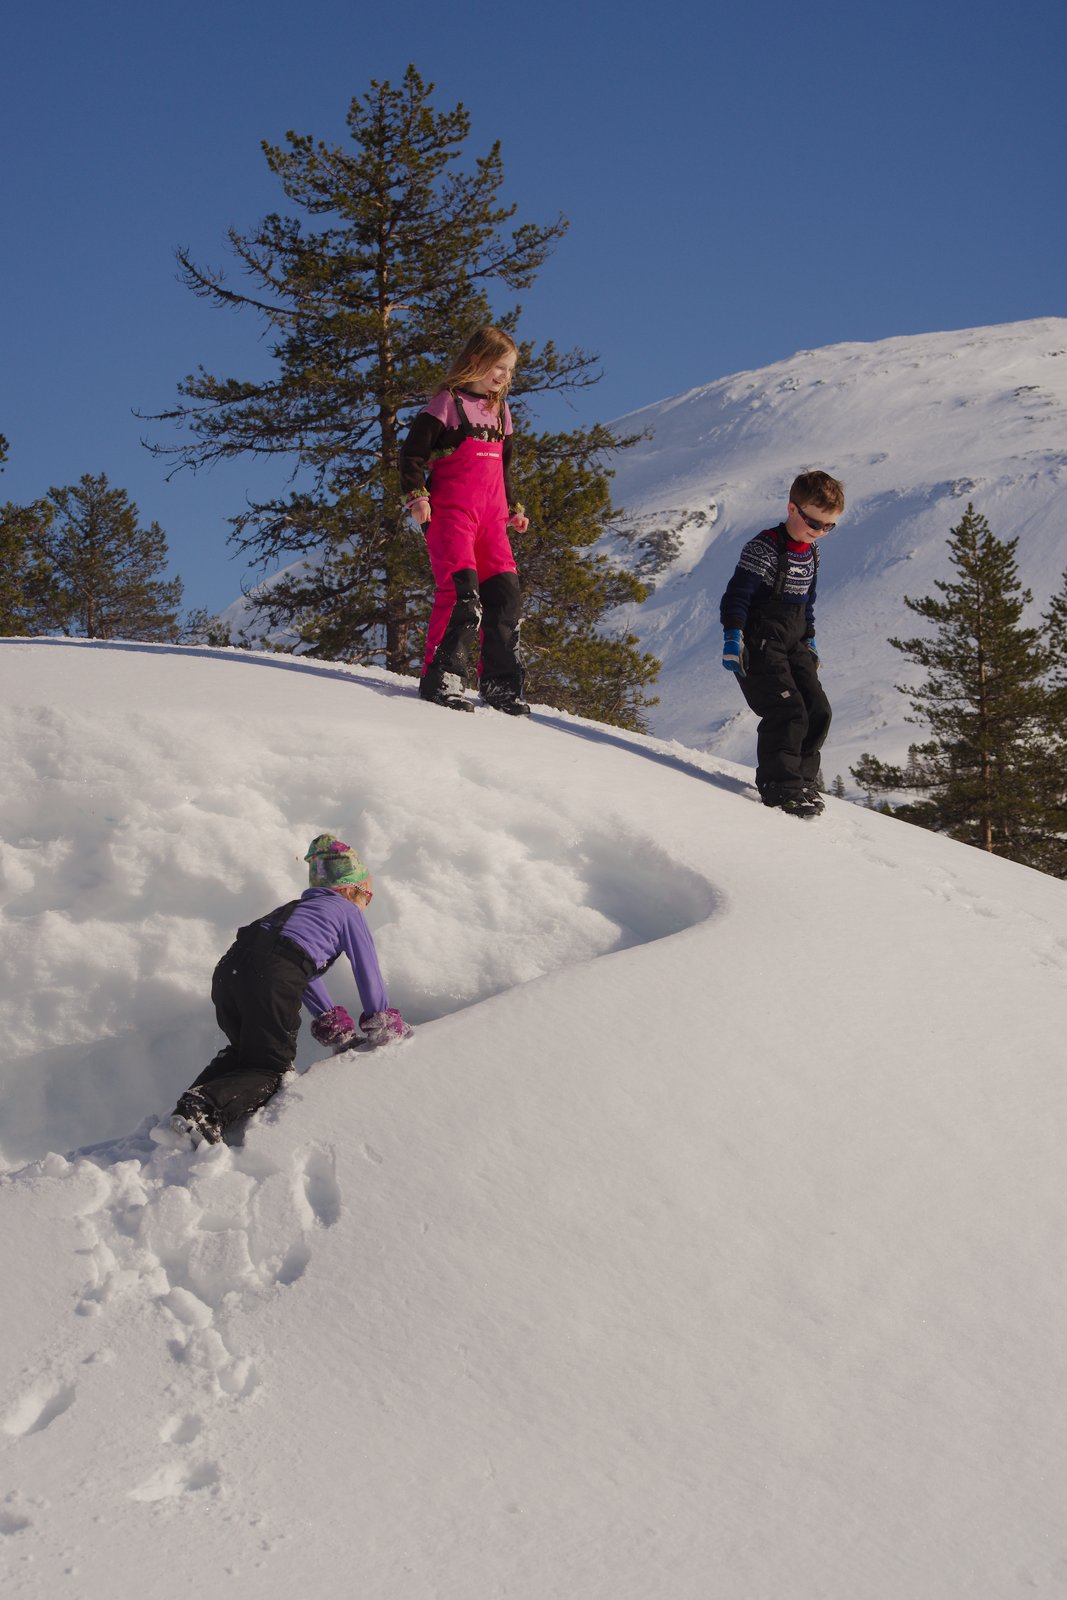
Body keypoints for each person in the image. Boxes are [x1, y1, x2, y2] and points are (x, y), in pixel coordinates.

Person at [157, 835, 412, 1147]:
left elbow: (296, 966)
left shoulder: (296, 911)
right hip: (271, 974)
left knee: (247, 1053)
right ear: (351, 889)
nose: (365, 906)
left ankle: (185, 1112)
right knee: (271, 1068)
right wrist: (381, 1020)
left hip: (229, 973)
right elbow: (365, 968)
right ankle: (202, 1112)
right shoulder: (347, 911)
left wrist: (333, 1023)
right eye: (366, 897)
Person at [399, 326, 532, 715]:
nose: (504, 376)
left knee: (506, 599)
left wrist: (514, 508)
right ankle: (442, 678)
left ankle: (501, 686)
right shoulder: (447, 404)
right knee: (462, 596)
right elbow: (411, 455)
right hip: (451, 515)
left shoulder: (500, 412)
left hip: (492, 521)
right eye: (499, 366)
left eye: (510, 370)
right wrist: (417, 496)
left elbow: (503, 469)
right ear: (476, 359)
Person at [719, 470, 845, 819]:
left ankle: (801, 781)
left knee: (818, 709)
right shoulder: (764, 548)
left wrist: (810, 636)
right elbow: (737, 595)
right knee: (787, 709)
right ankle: (780, 787)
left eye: (829, 527)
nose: (819, 532)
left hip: (794, 638)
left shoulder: (812, 552)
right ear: (792, 509)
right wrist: (733, 635)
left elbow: (807, 599)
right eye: (814, 523)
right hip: (761, 640)